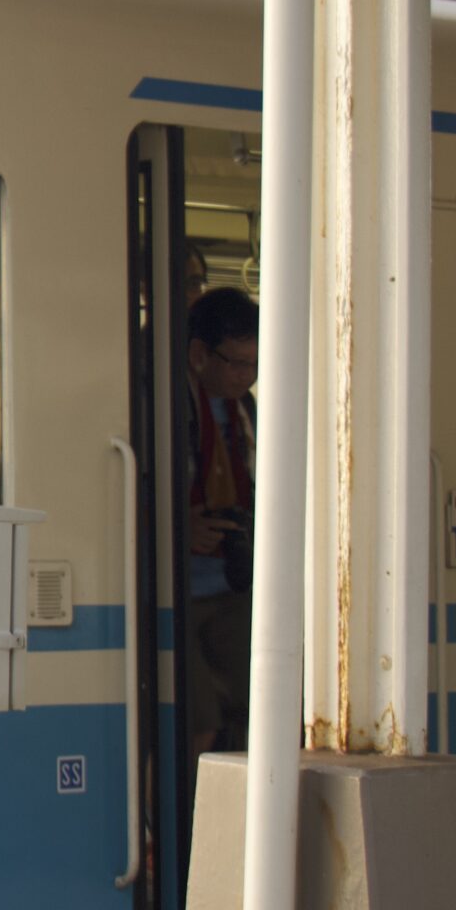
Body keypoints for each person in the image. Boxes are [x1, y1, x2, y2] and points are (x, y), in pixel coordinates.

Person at [184, 286, 257, 755]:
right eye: (235, 363)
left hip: (232, 583)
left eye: (254, 365)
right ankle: (191, 826)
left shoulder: (245, 411)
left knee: (260, 712)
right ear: (197, 354)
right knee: (200, 724)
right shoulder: (163, 402)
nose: (245, 377)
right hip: (179, 590)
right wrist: (179, 530)